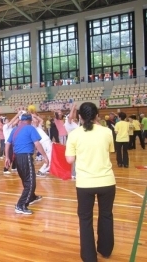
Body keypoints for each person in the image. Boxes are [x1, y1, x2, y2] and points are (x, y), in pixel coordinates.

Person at [65, 102, 116, 262]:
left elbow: (69, 160)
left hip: (85, 184)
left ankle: (89, 256)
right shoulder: (107, 131)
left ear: (79, 117)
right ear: (97, 115)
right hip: (107, 182)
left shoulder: (74, 134)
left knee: (85, 219)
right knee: (106, 215)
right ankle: (106, 250)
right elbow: (109, 151)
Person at [5, 113, 48, 215]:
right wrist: (45, 156)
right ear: (29, 121)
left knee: (26, 180)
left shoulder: (15, 130)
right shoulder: (30, 128)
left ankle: (31, 197)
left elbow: (7, 144)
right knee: (31, 182)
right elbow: (37, 143)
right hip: (25, 157)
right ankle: (20, 205)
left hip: (17, 158)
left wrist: (7, 157)